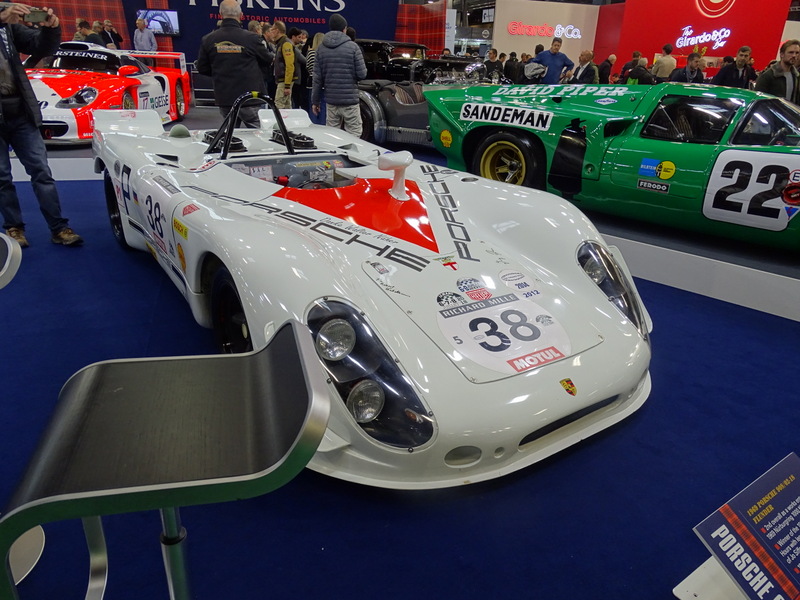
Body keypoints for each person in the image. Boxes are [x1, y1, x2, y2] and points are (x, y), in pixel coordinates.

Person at [0, 4, 82, 247]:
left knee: (41, 171)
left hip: (21, 112)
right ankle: (14, 228)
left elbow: (41, 47)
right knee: (2, 177)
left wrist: (51, 29)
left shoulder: (9, 28)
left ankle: (59, 227)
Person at [196, 0, 272, 128]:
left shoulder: (208, 39)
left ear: (220, 14)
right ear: (241, 15)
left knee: (230, 134)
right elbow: (268, 60)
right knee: (260, 133)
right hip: (250, 97)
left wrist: (220, 71)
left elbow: (202, 68)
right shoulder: (252, 38)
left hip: (225, 96)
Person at [311, 13, 367, 136]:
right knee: (354, 134)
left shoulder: (321, 49)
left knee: (332, 135)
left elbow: (317, 79)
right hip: (350, 101)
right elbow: (362, 74)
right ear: (344, 29)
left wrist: (315, 102)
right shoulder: (353, 47)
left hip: (331, 101)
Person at [755, 39, 800, 104]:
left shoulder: (796, 76)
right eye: (791, 52)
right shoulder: (768, 76)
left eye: (797, 53)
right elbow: (758, 100)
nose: (794, 55)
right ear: (782, 54)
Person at [269, 21, 297, 110]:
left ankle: (280, 120)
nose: (271, 32)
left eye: (272, 29)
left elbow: (290, 65)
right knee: (287, 105)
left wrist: (287, 85)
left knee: (279, 104)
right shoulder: (281, 43)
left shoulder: (285, 44)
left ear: (277, 30)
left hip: (284, 81)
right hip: (284, 80)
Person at [305, 32, 325, 124]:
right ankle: (323, 125)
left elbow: (307, 66)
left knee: (312, 105)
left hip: (311, 82)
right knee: (323, 106)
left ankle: (313, 125)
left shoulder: (310, 53)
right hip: (323, 82)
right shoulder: (324, 53)